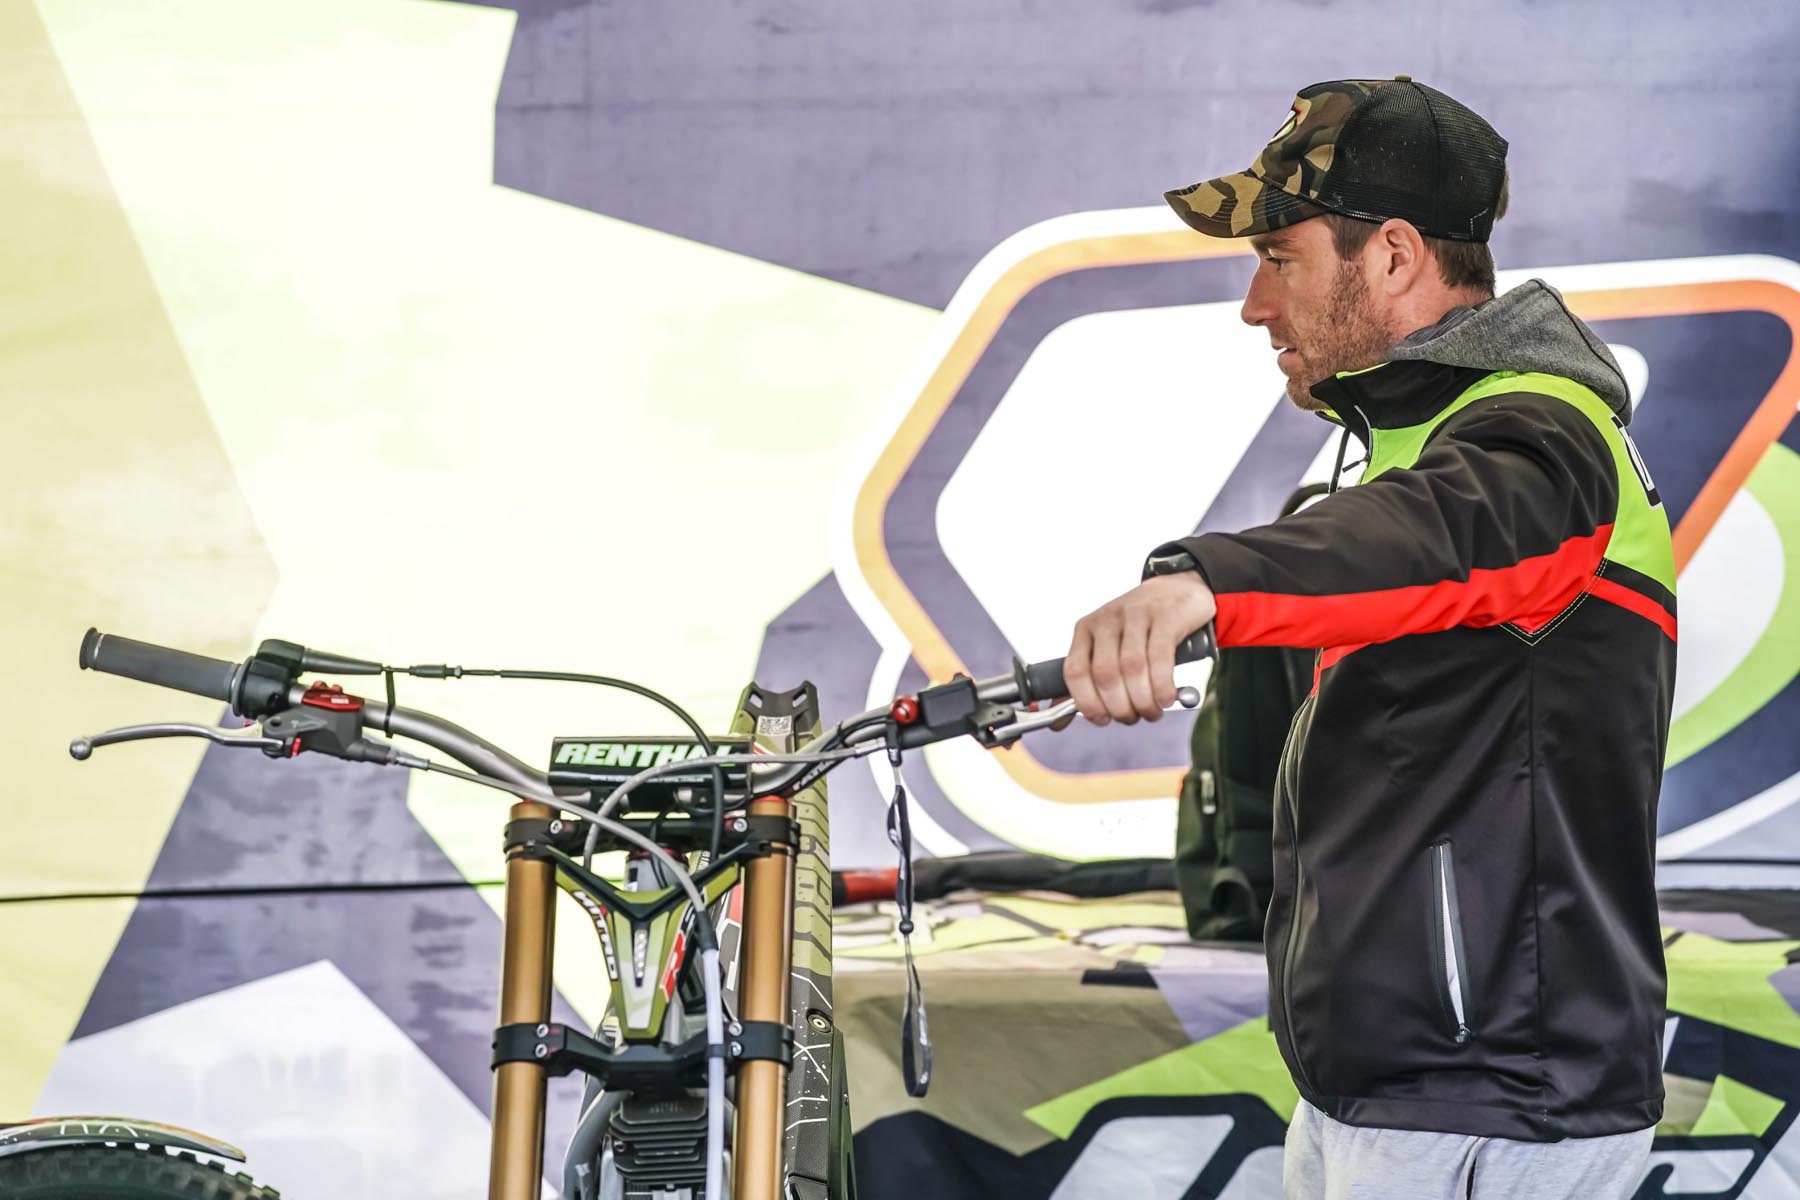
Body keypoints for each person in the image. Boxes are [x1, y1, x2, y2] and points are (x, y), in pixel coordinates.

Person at [1061, 78, 1675, 1198]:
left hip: (1489, 1101)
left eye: (1279, 258)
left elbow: (1440, 532)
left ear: (1393, 256)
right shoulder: (1426, 440)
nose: (1256, 305)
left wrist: (1205, 582)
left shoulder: (1540, 434)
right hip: (1405, 1086)